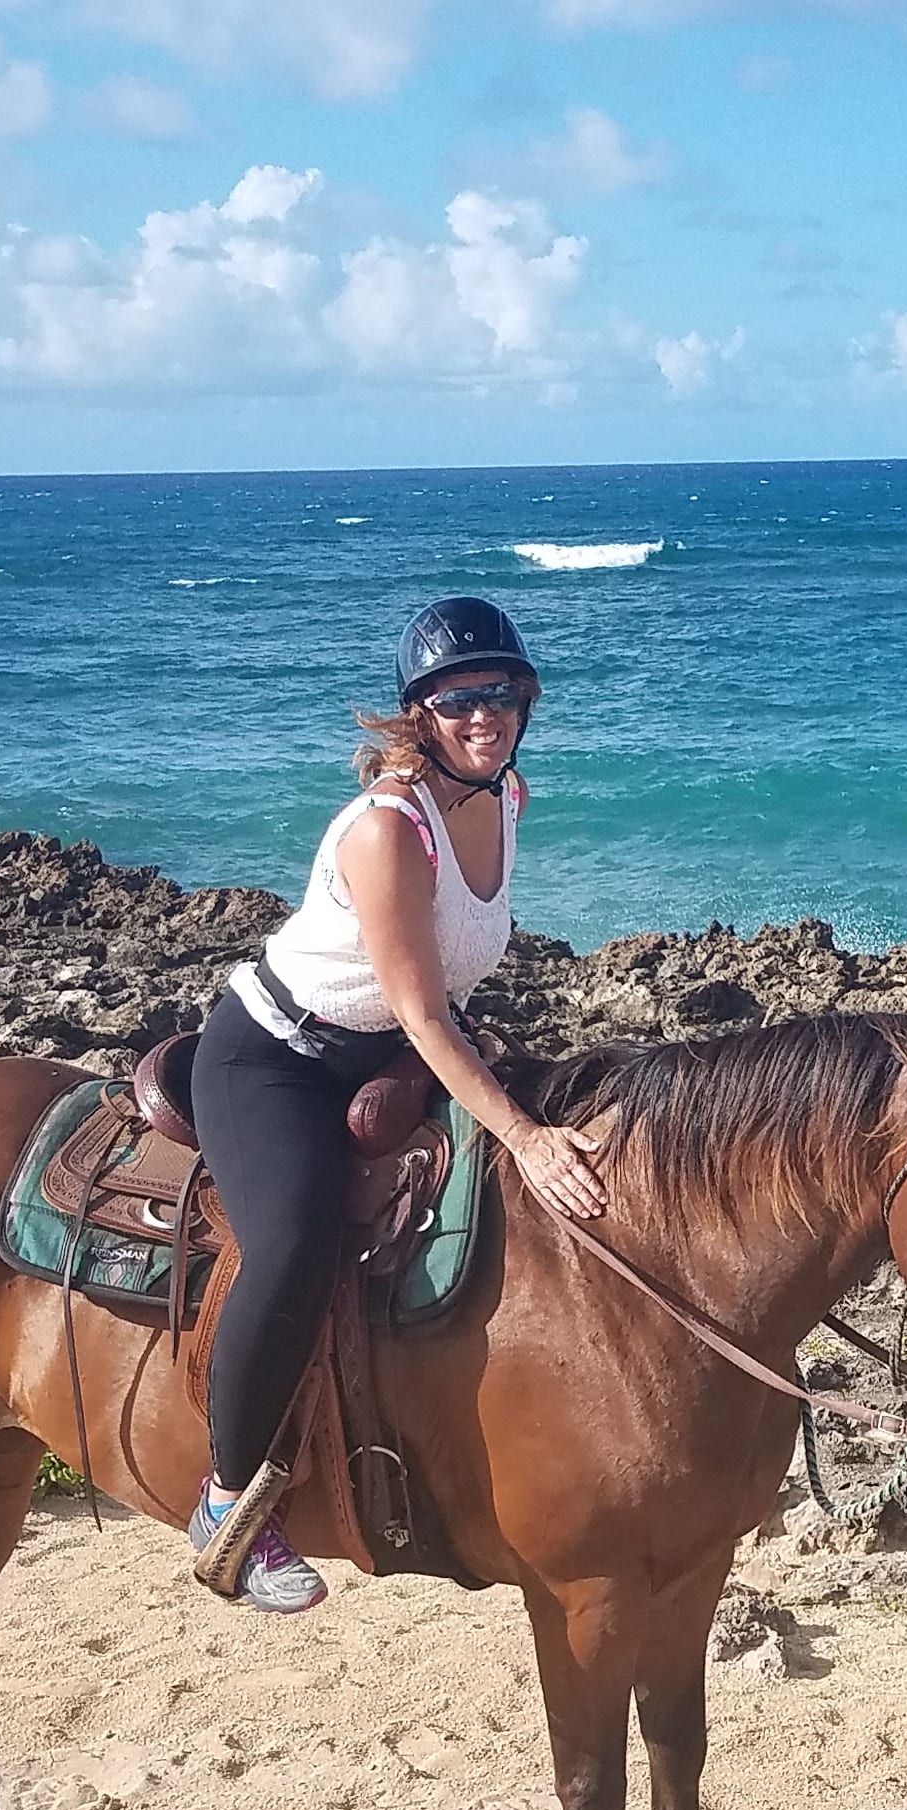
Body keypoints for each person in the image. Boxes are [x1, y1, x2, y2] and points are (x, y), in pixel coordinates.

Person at [187, 597, 608, 1611]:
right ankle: (228, 1499)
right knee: (291, 1246)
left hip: (394, 1050)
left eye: (500, 693)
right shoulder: (388, 831)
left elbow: (440, 993)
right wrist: (524, 1133)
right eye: (456, 698)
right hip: (277, 1057)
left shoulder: (506, 800)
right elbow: (423, 1015)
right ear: (419, 712)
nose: (483, 714)